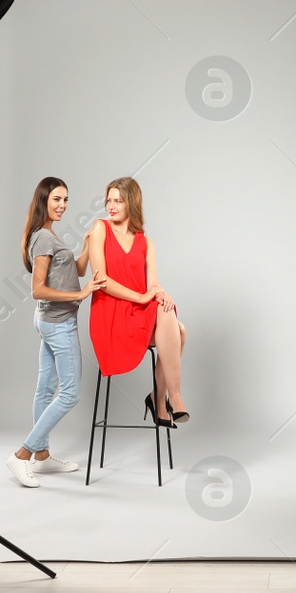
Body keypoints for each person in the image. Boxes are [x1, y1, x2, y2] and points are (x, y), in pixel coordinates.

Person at [6, 178, 105, 488]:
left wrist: (87, 247)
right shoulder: (43, 239)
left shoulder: (49, 235)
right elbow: (38, 290)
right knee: (70, 393)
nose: (62, 205)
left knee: (45, 389)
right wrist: (81, 295)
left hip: (49, 321)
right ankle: (22, 455)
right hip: (58, 323)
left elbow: (75, 270)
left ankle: (43, 456)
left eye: (65, 200)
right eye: (56, 199)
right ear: (43, 201)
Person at [87, 177, 188, 427]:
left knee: (170, 314)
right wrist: (142, 297)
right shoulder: (100, 228)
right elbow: (100, 279)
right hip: (109, 312)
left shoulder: (146, 242)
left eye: (117, 201)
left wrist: (160, 293)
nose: (110, 206)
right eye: (108, 201)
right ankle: (163, 400)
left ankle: (166, 398)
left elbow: (152, 284)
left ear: (131, 203)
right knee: (178, 329)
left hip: (137, 312)